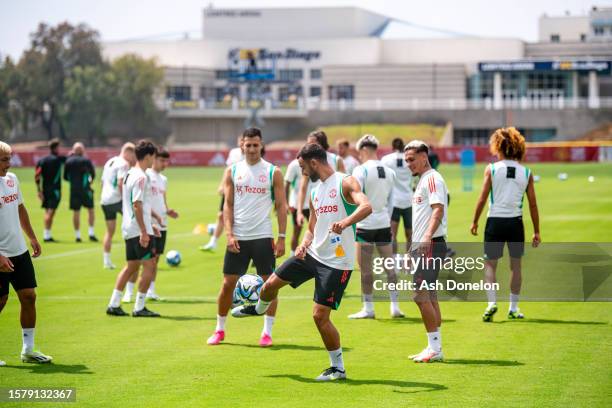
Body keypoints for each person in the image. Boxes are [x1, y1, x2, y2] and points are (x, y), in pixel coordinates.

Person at [232, 142, 372, 381]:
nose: (303, 172)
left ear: (314, 162)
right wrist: (304, 243)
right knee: (268, 286)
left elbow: (367, 206)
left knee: (319, 316)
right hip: (312, 254)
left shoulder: (345, 182)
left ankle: (337, 368)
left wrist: (345, 222)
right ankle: (258, 309)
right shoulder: (315, 192)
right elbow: (311, 228)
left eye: (303, 167)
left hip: (337, 263)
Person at [207, 128, 287, 347]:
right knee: (227, 284)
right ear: (242, 145)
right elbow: (228, 205)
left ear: (261, 145)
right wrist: (229, 234)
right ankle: (219, 330)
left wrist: (281, 237)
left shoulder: (273, 172)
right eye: (248, 145)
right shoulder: (232, 171)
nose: (252, 149)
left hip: (262, 236)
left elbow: (281, 206)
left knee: (269, 284)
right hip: (238, 237)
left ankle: (267, 333)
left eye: (255, 145)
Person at [470, 127, 540, 322]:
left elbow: (482, 198)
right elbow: (533, 204)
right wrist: (537, 231)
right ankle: (514, 308)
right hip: (515, 224)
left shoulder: (492, 169)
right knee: (515, 267)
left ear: (497, 146)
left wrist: (475, 221)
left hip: (495, 222)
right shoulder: (526, 172)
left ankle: (491, 303)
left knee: (490, 265)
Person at [0, 141, 52, 364]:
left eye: (10, 158)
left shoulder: (12, 180)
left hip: (19, 251)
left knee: (29, 297)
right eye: (4, 159)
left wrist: (31, 237)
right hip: (0, 254)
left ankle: (28, 350)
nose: (9, 163)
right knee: (0, 301)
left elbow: (20, 207)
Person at [348, 134, 405, 319]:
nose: (359, 156)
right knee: (390, 267)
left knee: (366, 270)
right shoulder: (389, 171)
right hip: (383, 224)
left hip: (365, 225)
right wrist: (386, 219)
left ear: (364, 150)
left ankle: (369, 308)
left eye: (359, 152)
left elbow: (358, 200)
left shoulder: (360, 170)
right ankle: (395, 306)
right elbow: (392, 200)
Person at [106, 140, 162, 317]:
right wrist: (145, 231)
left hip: (130, 227)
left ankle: (114, 303)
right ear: (148, 156)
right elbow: (137, 204)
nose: (154, 160)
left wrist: (150, 224)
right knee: (150, 266)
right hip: (138, 230)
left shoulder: (130, 173)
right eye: (153, 156)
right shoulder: (141, 177)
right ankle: (139, 307)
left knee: (131, 266)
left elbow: (136, 205)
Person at [404, 140, 448, 363]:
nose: (409, 164)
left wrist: (426, 239)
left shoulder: (432, 178)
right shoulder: (423, 179)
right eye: (406, 161)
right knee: (429, 295)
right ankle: (435, 347)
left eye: (412, 160)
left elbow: (437, 209)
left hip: (430, 244)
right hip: (425, 244)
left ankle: (435, 348)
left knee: (419, 295)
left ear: (424, 157)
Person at [123, 147, 178, 302]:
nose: (164, 163)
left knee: (155, 260)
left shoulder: (163, 179)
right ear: (153, 159)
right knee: (137, 262)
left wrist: (167, 211)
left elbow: (162, 200)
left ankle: (150, 291)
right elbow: (141, 202)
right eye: (161, 160)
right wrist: (152, 218)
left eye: (166, 161)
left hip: (161, 224)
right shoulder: (145, 175)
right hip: (147, 223)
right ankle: (129, 292)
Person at [201, 137, 244, 251]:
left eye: (243, 141)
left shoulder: (251, 154)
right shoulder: (234, 152)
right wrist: (222, 185)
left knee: (240, 218)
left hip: (243, 191)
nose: (241, 143)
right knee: (221, 215)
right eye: (240, 140)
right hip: (230, 188)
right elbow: (227, 170)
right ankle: (213, 242)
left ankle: (242, 245)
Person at [295, 130, 345, 227]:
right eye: (307, 143)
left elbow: (343, 184)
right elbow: (303, 188)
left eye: (312, 143)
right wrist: (299, 212)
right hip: (316, 202)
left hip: (333, 205)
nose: (308, 146)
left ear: (322, 143)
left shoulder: (336, 159)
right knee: (313, 232)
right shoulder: (307, 163)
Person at [100, 143, 136, 269]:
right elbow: (121, 183)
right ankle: (136, 258)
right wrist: (126, 200)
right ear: (128, 152)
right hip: (117, 200)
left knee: (110, 232)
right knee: (134, 224)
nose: (133, 158)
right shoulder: (123, 164)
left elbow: (102, 182)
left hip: (105, 201)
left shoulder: (110, 161)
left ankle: (106, 261)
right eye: (133, 155)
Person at [381, 138, 413, 254]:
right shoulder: (409, 159)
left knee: (392, 234)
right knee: (410, 234)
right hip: (408, 200)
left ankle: (393, 262)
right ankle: (410, 262)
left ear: (392, 147)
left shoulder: (386, 159)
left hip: (393, 201)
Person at [64, 142, 97, 242]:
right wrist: (89, 181)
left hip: (74, 190)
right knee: (90, 210)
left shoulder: (68, 161)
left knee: (76, 211)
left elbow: (65, 177)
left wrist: (73, 182)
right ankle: (91, 233)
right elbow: (93, 174)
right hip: (86, 189)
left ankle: (78, 236)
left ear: (73, 151)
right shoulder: (86, 160)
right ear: (82, 150)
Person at [34, 138, 66, 242]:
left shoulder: (42, 160)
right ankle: (46, 235)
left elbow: (37, 176)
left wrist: (39, 190)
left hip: (45, 190)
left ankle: (47, 234)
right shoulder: (58, 159)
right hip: (55, 190)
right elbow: (69, 159)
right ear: (56, 148)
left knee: (48, 211)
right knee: (51, 212)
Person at [284, 157, 311, 255]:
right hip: (296, 204)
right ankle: (292, 257)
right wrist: (286, 203)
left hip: (313, 204)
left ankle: (315, 258)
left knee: (316, 232)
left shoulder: (315, 162)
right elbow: (286, 183)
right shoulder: (294, 164)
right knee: (296, 232)